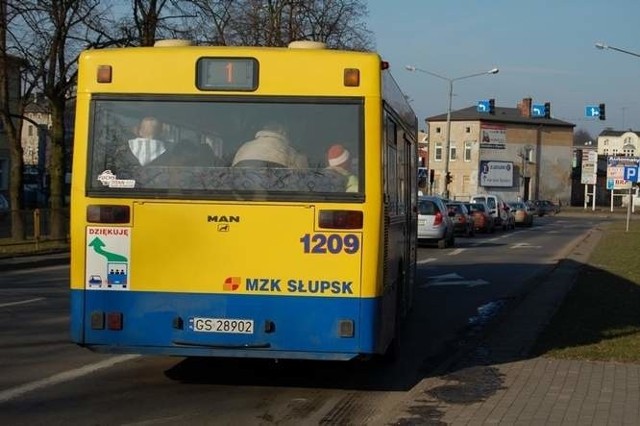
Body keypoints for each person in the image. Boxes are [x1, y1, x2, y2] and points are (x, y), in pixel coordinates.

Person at [231, 121, 308, 168]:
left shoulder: (244, 147)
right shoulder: (290, 152)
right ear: (282, 131)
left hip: (241, 191)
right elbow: (301, 176)